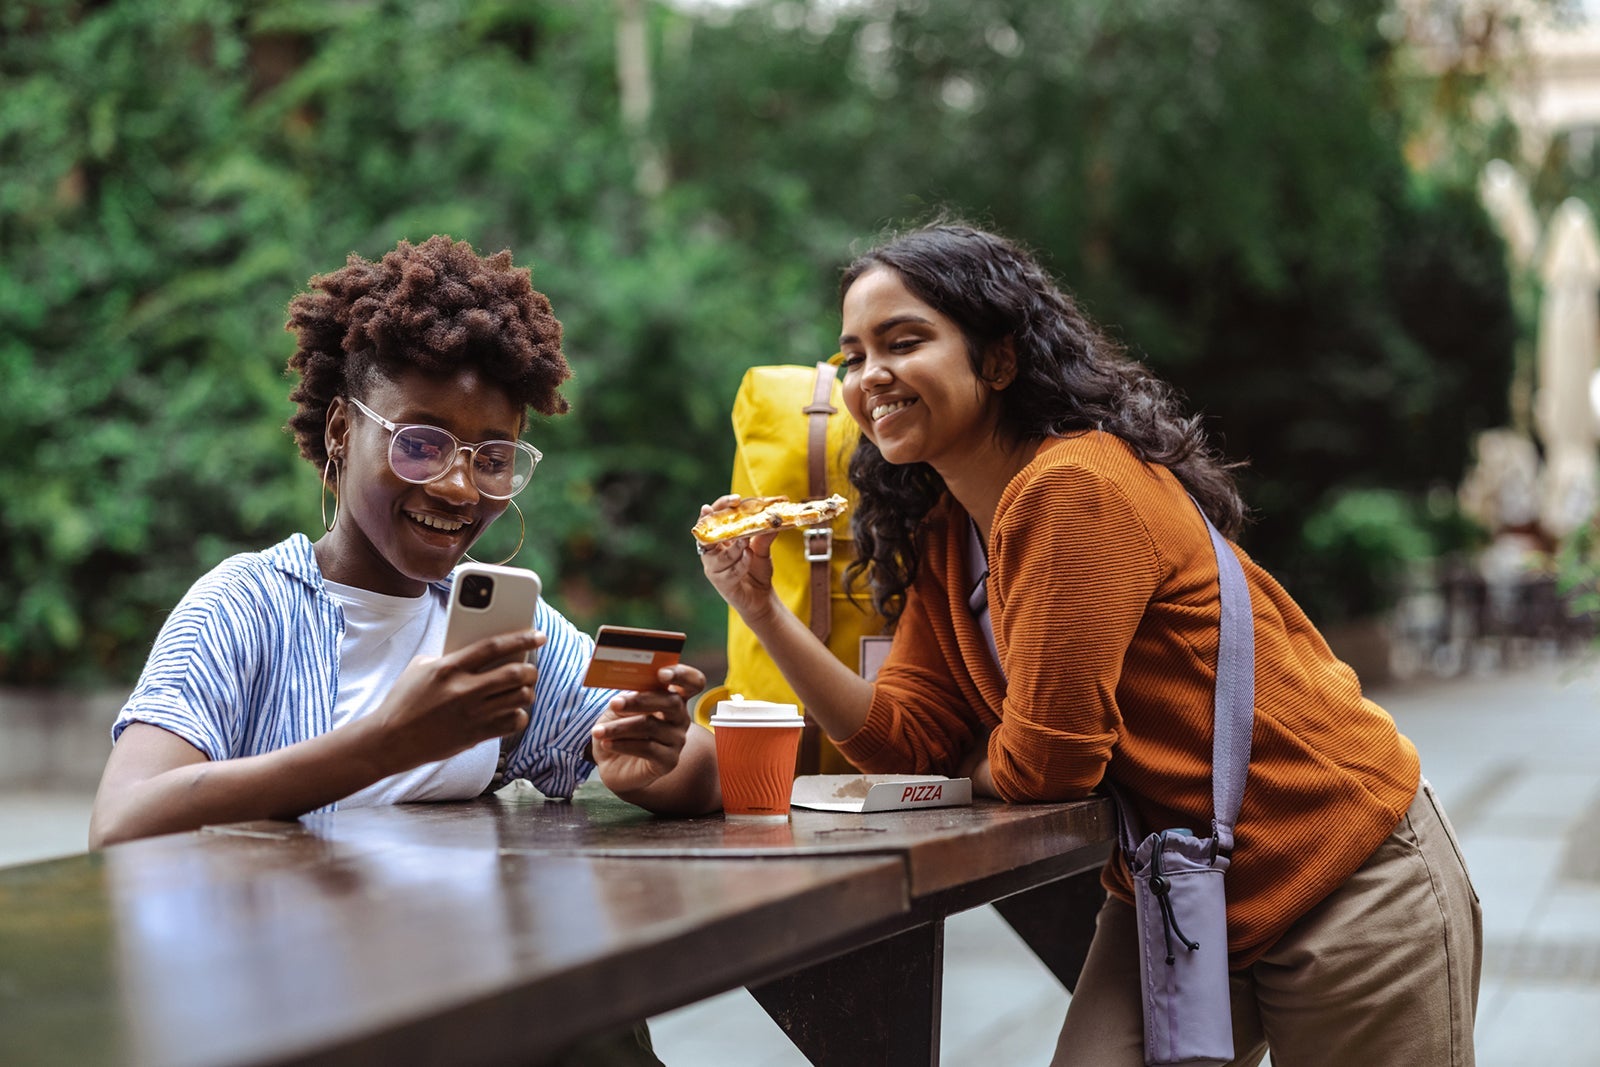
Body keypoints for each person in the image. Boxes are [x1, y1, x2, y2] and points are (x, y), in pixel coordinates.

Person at [698, 221, 1481, 1066]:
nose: (869, 375)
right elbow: (907, 740)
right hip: (1179, 887)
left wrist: (973, 767)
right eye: (853, 355)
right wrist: (761, 607)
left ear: (999, 359)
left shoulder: (1074, 486)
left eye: (905, 340)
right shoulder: (951, 535)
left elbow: (1048, 763)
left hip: (1344, 873)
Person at [90, 234, 721, 851]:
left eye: (491, 458)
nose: (459, 487)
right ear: (341, 430)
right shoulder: (245, 608)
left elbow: (704, 775)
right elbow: (121, 822)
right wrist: (386, 743)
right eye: (419, 444)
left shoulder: (499, 630)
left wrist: (646, 761)